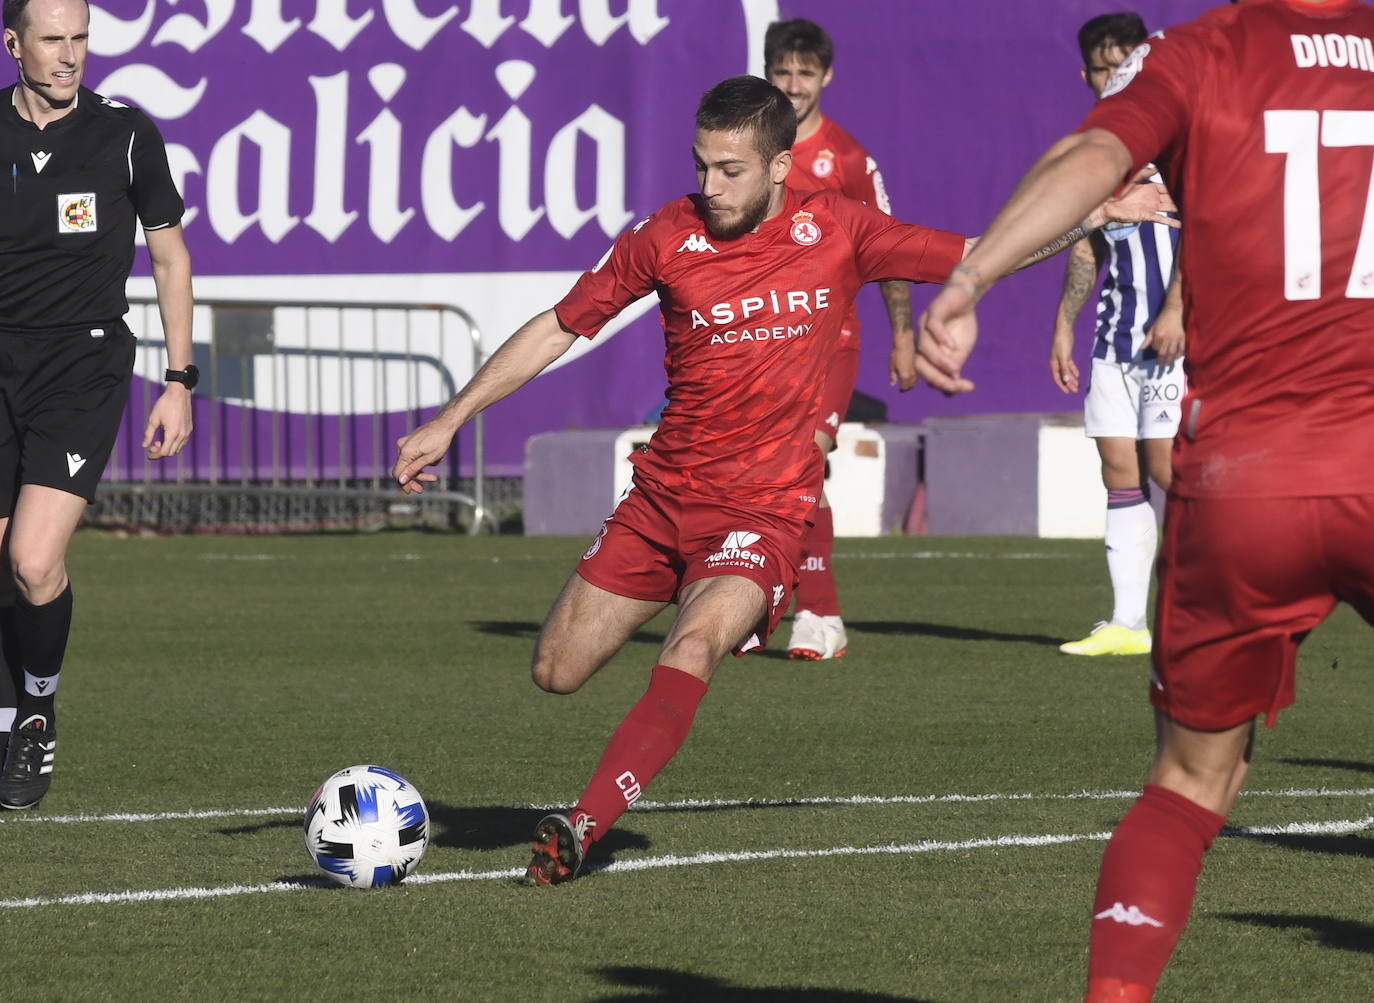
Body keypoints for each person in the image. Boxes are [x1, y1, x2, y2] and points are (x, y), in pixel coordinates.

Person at [394, 75, 1172, 885]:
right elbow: (561, 325)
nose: (710, 186)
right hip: (661, 500)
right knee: (555, 670)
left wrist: (1088, 215)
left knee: (695, 642)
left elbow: (983, 255)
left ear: (779, 166)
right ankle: (598, 776)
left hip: (764, 509)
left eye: (730, 170)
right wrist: (452, 417)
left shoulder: (838, 228)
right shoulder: (664, 237)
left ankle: (582, 826)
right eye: (701, 165)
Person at [916, 1, 1374, 998]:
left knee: (1190, 782)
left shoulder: (1203, 53)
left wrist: (974, 275)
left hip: (1248, 485)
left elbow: (1093, 152)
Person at [0, 0, 195, 810]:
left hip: (80, 365)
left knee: (34, 562)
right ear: (13, 45)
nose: (70, 55)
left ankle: (36, 709)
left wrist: (180, 380)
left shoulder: (124, 132)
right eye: (52, 39)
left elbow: (170, 256)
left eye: (80, 38)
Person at [765, 18, 916, 661]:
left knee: (801, 460)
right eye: (782, 72)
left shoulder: (847, 159)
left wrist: (904, 335)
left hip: (832, 338)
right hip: (762, 339)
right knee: (770, 473)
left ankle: (817, 615)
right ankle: (773, 598)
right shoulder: (745, 148)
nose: (793, 85)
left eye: (805, 73)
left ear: (827, 76)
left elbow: (890, 249)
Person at [1050, 12, 1184, 658]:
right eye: (1102, 67)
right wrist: (1062, 325)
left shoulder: (1176, 144)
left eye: (1123, 64)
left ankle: (1197, 613)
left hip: (1172, 343)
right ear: (1086, 74)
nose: (1113, 77)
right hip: (1112, 340)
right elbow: (1086, 249)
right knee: (1119, 469)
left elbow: (1207, 231)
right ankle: (1129, 622)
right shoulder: (1094, 151)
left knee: (1170, 469)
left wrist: (1178, 309)